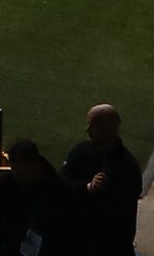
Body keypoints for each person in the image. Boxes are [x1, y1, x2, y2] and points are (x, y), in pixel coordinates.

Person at [61, 104, 143, 256]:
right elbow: (61, 184)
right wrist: (86, 188)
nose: (87, 130)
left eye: (93, 126)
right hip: (78, 240)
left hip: (109, 246)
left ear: (108, 130)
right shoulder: (81, 151)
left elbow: (116, 215)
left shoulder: (127, 167)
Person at [0, 138, 59, 256]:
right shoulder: (4, 184)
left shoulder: (56, 188)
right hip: (14, 248)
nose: (17, 176)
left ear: (33, 164)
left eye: (20, 172)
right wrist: (0, 249)